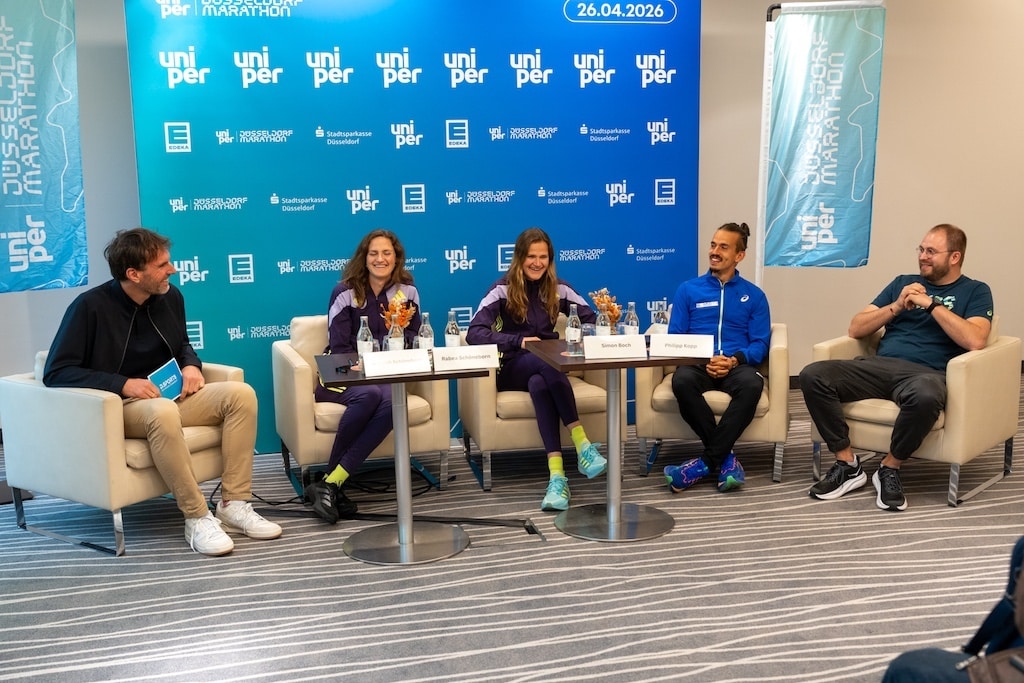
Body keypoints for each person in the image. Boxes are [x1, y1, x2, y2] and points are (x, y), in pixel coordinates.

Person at [43, 227, 281, 556]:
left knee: (240, 395)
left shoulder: (170, 296)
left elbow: (182, 343)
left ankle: (234, 504)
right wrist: (122, 384)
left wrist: (191, 366)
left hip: (166, 395)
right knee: (162, 411)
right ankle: (197, 517)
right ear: (133, 274)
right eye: (162, 265)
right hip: (118, 406)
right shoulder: (89, 308)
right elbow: (56, 371)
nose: (172, 269)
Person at [799, 224, 993, 511]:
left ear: (955, 257)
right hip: (877, 366)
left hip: (925, 374)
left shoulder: (975, 291)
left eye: (931, 251)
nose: (923, 257)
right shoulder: (903, 282)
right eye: (921, 249)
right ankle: (847, 463)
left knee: (927, 396)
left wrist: (930, 304)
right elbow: (855, 328)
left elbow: (976, 339)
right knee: (813, 374)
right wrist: (897, 306)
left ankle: (889, 467)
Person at [466, 227, 607, 511]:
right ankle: (581, 443)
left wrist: (604, 322)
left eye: (543, 257)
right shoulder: (501, 289)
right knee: (545, 360)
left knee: (540, 383)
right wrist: (517, 340)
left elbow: (593, 322)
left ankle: (557, 477)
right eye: (531, 256)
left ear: (550, 259)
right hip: (513, 368)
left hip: (545, 371)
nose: (537, 263)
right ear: (519, 258)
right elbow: (474, 332)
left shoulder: (560, 288)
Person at [303, 229, 422, 524]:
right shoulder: (345, 291)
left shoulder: (407, 292)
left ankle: (331, 483)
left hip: (384, 376)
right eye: (373, 253)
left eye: (386, 253)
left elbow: (414, 337)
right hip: (340, 372)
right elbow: (341, 347)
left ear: (396, 259)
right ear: (364, 258)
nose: (380, 259)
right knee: (373, 394)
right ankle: (333, 485)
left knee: (391, 398)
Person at [661, 222, 771, 494]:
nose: (715, 251)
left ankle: (703, 463)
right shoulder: (689, 289)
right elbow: (676, 336)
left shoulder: (755, 296)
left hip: (736, 365)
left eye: (723, 247)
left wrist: (733, 360)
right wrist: (704, 358)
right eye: (713, 245)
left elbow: (760, 343)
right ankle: (725, 460)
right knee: (681, 382)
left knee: (753, 385)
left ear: (739, 255)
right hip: (698, 364)